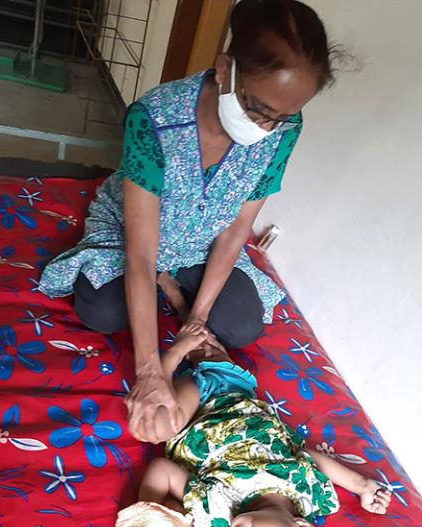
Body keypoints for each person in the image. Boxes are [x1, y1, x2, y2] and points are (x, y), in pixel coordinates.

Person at [40, 0, 343, 443]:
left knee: (242, 324)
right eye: (256, 107)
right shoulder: (155, 119)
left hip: (202, 243)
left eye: (279, 117)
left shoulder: (285, 129)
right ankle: (165, 289)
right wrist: (148, 371)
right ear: (225, 69)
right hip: (136, 238)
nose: (265, 126)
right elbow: (140, 252)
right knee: (102, 310)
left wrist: (196, 322)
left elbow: (237, 230)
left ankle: (177, 294)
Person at [136, 327, 392, 527]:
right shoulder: (305, 492)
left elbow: (161, 471)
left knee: (159, 424)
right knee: (205, 342)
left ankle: (171, 356)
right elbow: (312, 459)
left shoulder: (216, 512)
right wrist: (361, 486)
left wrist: (151, 525)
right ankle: (183, 306)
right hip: (238, 392)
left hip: (194, 410)